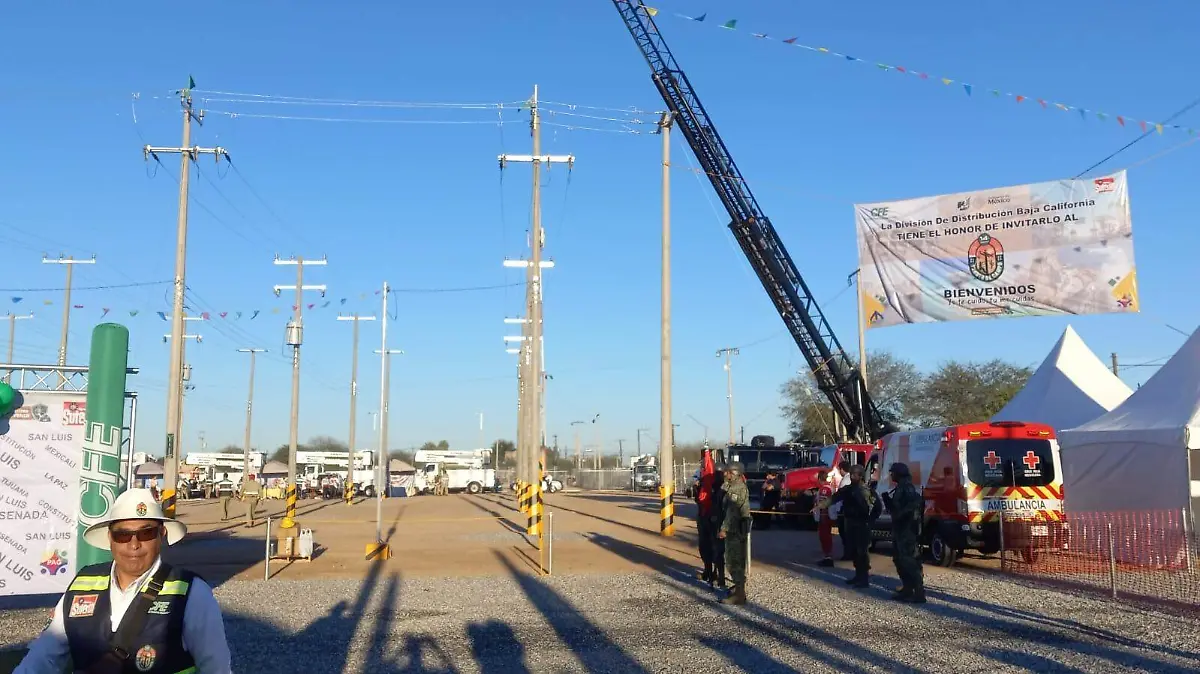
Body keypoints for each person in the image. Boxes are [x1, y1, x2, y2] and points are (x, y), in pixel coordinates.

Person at [15, 488, 232, 674]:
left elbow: (216, 668)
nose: (134, 544)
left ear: (162, 535)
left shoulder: (191, 593)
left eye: (146, 533)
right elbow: (44, 657)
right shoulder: (82, 584)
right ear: (110, 538)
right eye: (122, 535)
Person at [818, 465, 879, 588]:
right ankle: (858, 575)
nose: (852, 477)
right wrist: (821, 505)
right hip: (851, 523)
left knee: (862, 552)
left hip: (862, 525)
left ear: (860, 476)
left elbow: (877, 508)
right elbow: (835, 497)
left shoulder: (866, 490)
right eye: (851, 474)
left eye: (854, 475)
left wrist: (870, 521)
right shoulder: (848, 489)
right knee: (854, 551)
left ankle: (864, 578)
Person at [882, 462, 926, 603]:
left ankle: (919, 592)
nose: (891, 475)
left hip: (907, 531)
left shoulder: (907, 488)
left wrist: (900, 514)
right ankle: (907, 588)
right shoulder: (900, 488)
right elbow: (896, 509)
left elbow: (911, 508)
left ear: (899, 473)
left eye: (893, 472)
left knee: (909, 561)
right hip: (900, 529)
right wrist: (888, 501)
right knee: (899, 559)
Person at [717, 462, 751, 605]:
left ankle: (739, 594)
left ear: (735, 473)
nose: (726, 474)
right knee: (733, 560)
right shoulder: (732, 486)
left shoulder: (737, 488)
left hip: (735, 529)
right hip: (734, 527)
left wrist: (724, 528)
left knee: (734, 561)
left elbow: (732, 512)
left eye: (728, 472)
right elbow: (723, 489)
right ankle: (738, 588)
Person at [694, 447, 719, 585]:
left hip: (712, 516)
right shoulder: (703, 479)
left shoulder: (714, 480)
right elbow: (700, 497)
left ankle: (716, 573)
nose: (702, 464)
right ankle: (708, 570)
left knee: (714, 546)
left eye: (704, 461)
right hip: (703, 514)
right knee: (704, 546)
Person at [830, 461, 853, 561]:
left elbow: (840, 496)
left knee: (844, 533)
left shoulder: (845, 481)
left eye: (839, 469)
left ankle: (848, 554)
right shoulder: (848, 479)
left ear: (842, 469)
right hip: (846, 509)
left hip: (843, 510)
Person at [812, 469, 836, 567]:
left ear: (819, 479)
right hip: (827, 516)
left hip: (825, 516)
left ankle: (828, 557)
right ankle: (827, 556)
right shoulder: (828, 488)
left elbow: (824, 504)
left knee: (825, 537)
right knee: (825, 536)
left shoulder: (824, 489)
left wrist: (822, 517)